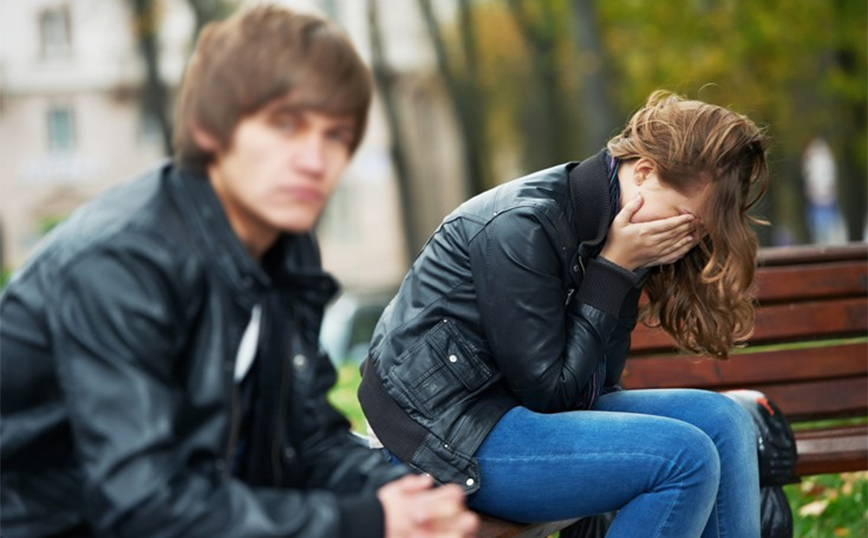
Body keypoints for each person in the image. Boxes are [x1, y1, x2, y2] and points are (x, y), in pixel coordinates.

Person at [0, 6, 478, 538]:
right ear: (210, 129)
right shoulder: (122, 262)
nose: (314, 159)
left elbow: (307, 440)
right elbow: (143, 503)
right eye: (285, 126)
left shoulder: (283, 248)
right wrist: (366, 520)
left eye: (336, 136)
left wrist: (406, 500)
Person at [359, 91, 770, 537]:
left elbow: (597, 386)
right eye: (684, 220)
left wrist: (622, 269)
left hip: (514, 413)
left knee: (726, 421)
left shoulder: (616, 228)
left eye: (697, 230)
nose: (686, 239)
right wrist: (613, 271)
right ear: (644, 172)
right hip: (442, 435)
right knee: (683, 458)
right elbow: (550, 396)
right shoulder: (523, 224)